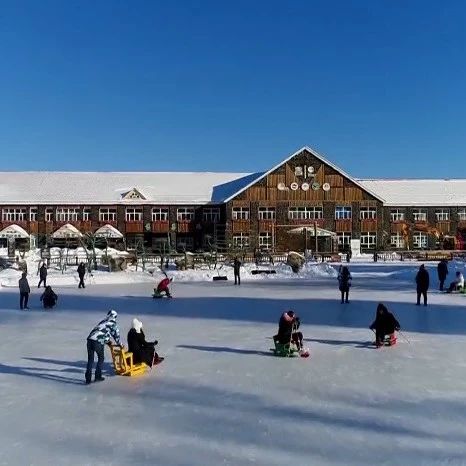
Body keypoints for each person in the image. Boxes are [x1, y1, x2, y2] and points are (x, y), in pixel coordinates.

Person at [85, 310, 121, 384]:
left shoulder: (103, 321)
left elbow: (102, 332)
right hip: (97, 342)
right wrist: (119, 343)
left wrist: (108, 341)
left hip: (89, 340)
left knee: (90, 360)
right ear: (115, 317)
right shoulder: (112, 323)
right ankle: (98, 376)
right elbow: (116, 335)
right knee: (101, 358)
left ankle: (88, 379)